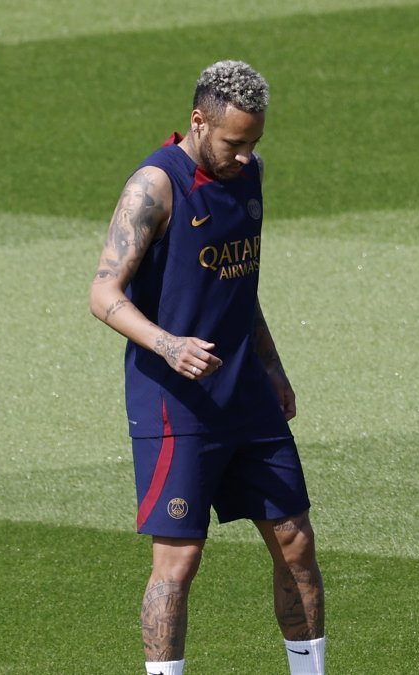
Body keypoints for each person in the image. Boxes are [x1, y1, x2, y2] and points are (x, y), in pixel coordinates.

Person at [89, 60, 325, 675]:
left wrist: (273, 368)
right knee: (179, 561)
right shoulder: (154, 186)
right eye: (234, 142)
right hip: (175, 400)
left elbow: (238, 287)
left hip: (245, 391)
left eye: (254, 143)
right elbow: (103, 293)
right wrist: (168, 345)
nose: (245, 156)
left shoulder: (251, 176)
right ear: (199, 121)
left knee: (296, 542)